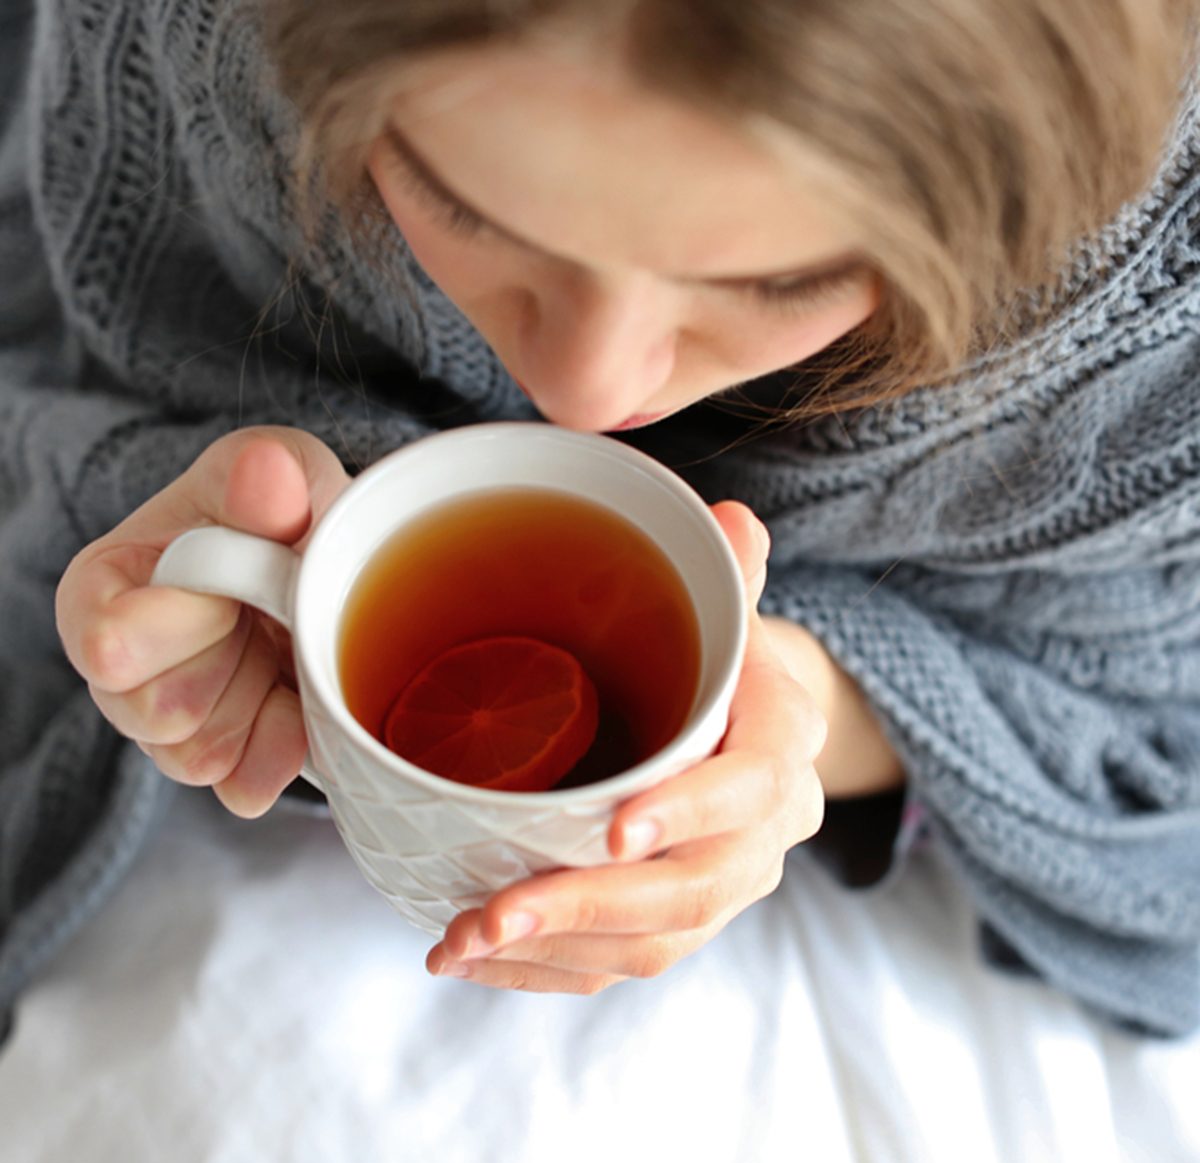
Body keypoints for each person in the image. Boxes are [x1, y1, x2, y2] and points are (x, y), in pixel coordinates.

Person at [2, 0, 1197, 1038]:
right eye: (466, 202)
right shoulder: (206, 36)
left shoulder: (1154, 303)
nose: (589, 391)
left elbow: (1165, 779)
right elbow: (63, 324)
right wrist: (137, 539)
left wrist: (810, 711)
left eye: (780, 279)